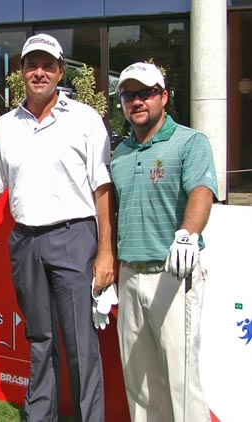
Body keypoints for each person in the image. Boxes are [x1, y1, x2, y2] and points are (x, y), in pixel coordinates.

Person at [0, 34, 116, 422]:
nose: (38, 73)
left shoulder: (85, 120)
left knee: (79, 342)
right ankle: (40, 416)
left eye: (47, 66)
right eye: (31, 65)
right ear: (20, 71)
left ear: (60, 71)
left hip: (73, 236)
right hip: (26, 240)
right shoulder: (5, 126)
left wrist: (107, 250)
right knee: (40, 339)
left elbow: (102, 189)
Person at [111, 62, 217, 421]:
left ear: (164, 97)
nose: (137, 101)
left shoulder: (190, 142)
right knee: (138, 383)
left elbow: (201, 192)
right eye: (129, 95)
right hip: (129, 274)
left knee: (180, 379)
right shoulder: (120, 154)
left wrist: (188, 234)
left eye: (145, 93)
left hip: (173, 274)